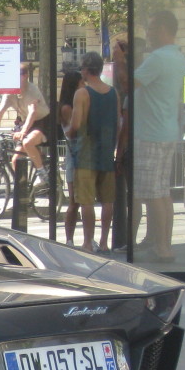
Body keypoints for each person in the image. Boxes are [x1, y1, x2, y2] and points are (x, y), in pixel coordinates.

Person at [132, 11, 185, 261]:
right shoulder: (178, 56)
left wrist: (125, 61)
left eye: (152, 28)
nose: (149, 33)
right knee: (163, 192)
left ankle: (163, 248)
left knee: (153, 194)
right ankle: (165, 244)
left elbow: (129, 83)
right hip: (167, 130)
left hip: (150, 133)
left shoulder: (157, 58)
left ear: (163, 28)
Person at [66, 52, 120, 253]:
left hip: (86, 153)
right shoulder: (113, 92)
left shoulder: (82, 94)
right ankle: (105, 241)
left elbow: (77, 124)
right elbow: (118, 122)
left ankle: (88, 241)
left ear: (86, 70)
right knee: (107, 200)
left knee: (86, 201)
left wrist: (70, 132)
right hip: (106, 151)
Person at [0, 63, 51, 175]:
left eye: (18, 76)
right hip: (26, 122)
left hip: (42, 121)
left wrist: (23, 131)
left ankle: (42, 174)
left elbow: (33, 113)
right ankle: (22, 189)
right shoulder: (9, 93)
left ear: (26, 76)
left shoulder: (32, 90)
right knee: (15, 160)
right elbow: (0, 111)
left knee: (28, 143)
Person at [56, 70, 82, 246]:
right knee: (74, 202)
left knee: (79, 202)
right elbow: (76, 128)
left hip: (78, 155)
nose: (84, 86)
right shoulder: (67, 108)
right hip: (75, 156)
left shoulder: (73, 104)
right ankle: (69, 240)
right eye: (81, 83)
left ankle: (72, 239)